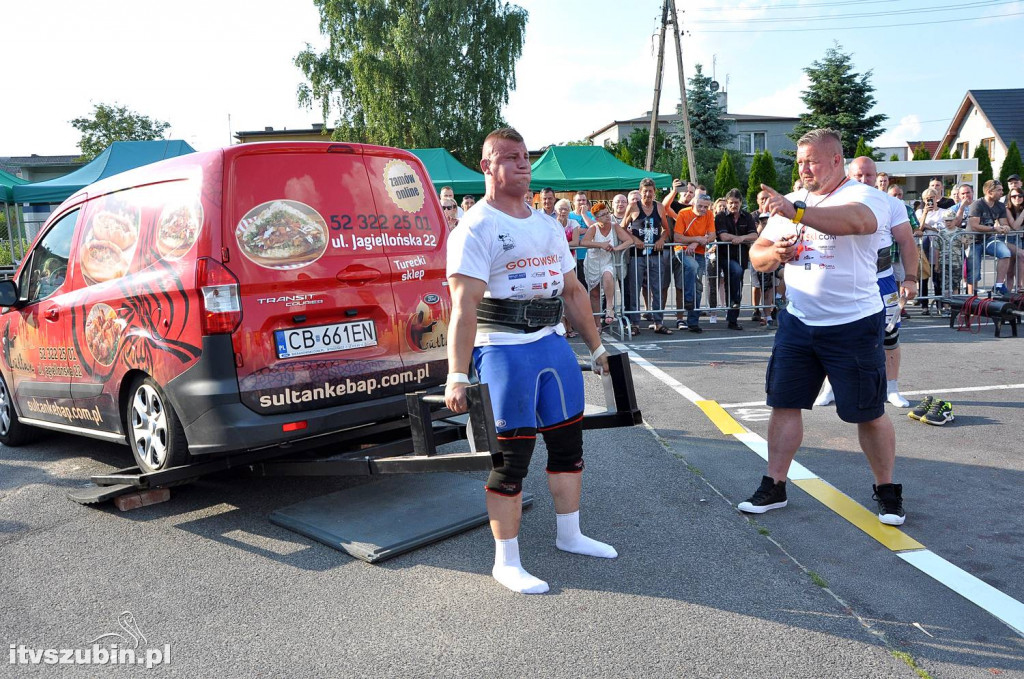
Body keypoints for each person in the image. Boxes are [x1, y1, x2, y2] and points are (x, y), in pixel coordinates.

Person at [444, 127, 615, 595]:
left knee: (567, 447)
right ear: (487, 166)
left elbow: (575, 292)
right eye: (510, 157)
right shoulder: (473, 228)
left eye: (525, 157)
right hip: (502, 350)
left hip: (551, 345)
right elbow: (463, 309)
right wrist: (457, 375)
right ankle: (506, 561)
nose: (522, 164)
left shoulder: (545, 225)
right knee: (510, 459)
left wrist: (597, 348)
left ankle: (570, 534)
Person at [738, 128, 906, 526]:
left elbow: (855, 223)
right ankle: (774, 485)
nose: (804, 168)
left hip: (853, 323)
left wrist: (794, 212)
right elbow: (756, 254)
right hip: (798, 321)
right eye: (799, 162)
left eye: (811, 160)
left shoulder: (864, 195)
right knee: (784, 404)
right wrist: (775, 253)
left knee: (868, 411)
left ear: (835, 161)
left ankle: (887, 490)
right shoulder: (794, 201)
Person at [815, 157, 918, 409]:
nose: (864, 180)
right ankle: (830, 388)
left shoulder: (892, 204)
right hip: (844, 280)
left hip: (882, 280)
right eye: (859, 175)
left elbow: (906, 242)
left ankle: (891, 388)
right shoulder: (835, 200)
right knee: (835, 334)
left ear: (878, 176)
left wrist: (911, 278)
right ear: (849, 175)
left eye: (869, 175)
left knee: (889, 333)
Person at [621, 178, 673, 334]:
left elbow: (666, 229)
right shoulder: (633, 207)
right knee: (635, 288)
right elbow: (622, 228)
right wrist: (634, 239)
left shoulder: (659, 207)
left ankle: (658, 322)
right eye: (645, 191)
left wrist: (662, 240)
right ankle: (635, 324)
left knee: (656, 288)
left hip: (656, 254)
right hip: (637, 255)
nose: (648, 194)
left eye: (650, 191)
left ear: (654, 192)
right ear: (640, 192)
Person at [581, 201, 634, 329]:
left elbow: (629, 240)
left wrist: (616, 248)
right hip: (593, 261)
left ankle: (609, 308)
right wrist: (601, 245)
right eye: (603, 214)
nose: (607, 216)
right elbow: (584, 242)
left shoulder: (615, 226)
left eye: (607, 213)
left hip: (607, 261)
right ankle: (597, 324)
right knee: (594, 294)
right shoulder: (594, 228)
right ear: (596, 218)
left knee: (608, 275)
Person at [714, 188, 759, 330]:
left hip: (742, 256)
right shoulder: (720, 216)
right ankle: (733, 304)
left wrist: (742, 238)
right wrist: (737, 239)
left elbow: (754, 235)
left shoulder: (747, 216)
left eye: (736, 203)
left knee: (736, 284)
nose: (734, 205)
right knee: (736, 272)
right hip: (725, 256)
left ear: (741, 202)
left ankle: (732, 318)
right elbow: (723, 236)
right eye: (731, 203)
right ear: (727, 203)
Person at [671, 193, 716, 332]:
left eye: (705, 206)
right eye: (700, 206)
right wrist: (696, 239)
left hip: (700, 252)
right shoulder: (683, 214)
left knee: (698, 286)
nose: (703, 209)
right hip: (682, 250)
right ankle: (688, 299)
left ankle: (693, 321)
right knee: (692, 266)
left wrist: (695, 243)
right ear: (693, 204)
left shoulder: (709, 214)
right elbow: (677, 237)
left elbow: (712, 235)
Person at [967, 179, 1013, 295]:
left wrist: (1005, 228)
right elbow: (974, 226)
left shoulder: (1000, 206)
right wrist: (994, 229)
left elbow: (1004, 223)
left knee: (1005, 253)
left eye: (1002, 190)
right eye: (999, 190)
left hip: (989, 239)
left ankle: (998, 285)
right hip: (973, 240)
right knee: (974, 271)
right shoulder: (977, 204)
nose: (1002, 192)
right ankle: (971, 298)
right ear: (989, 192)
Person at [1005, 185, 1024, 291]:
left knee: (1012, 270)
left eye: (1020, 195)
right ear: (1010, 198)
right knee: (1009, 271)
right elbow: (1015, 227)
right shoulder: (1007, 209)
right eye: (1014, 196)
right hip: (1006, 240)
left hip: (1018, 239)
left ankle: (1019, 289)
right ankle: (1017, 289)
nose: (1017, 198)